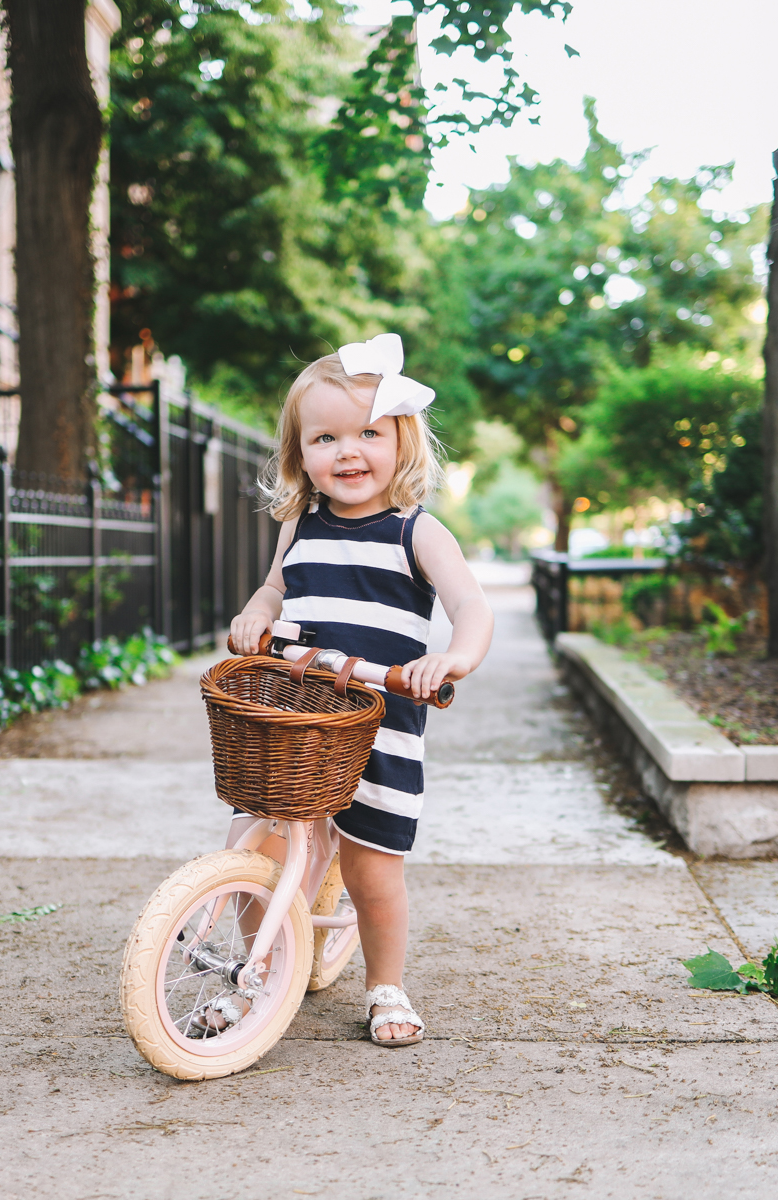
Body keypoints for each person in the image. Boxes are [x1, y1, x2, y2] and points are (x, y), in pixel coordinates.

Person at [226, 334, 494, 1048]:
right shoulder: (299, 524)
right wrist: (258, 613)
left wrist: (453, 658)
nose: (348, 451)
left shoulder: (418, 532)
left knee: (372, 867)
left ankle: (385, 983)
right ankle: (261, 966)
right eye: (325, 437)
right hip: (298, 713)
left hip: (382, 720)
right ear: (300, 454)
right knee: (259, 848)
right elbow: (276, 587)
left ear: (401, 442)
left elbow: (472, 607)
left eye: (368, 433)